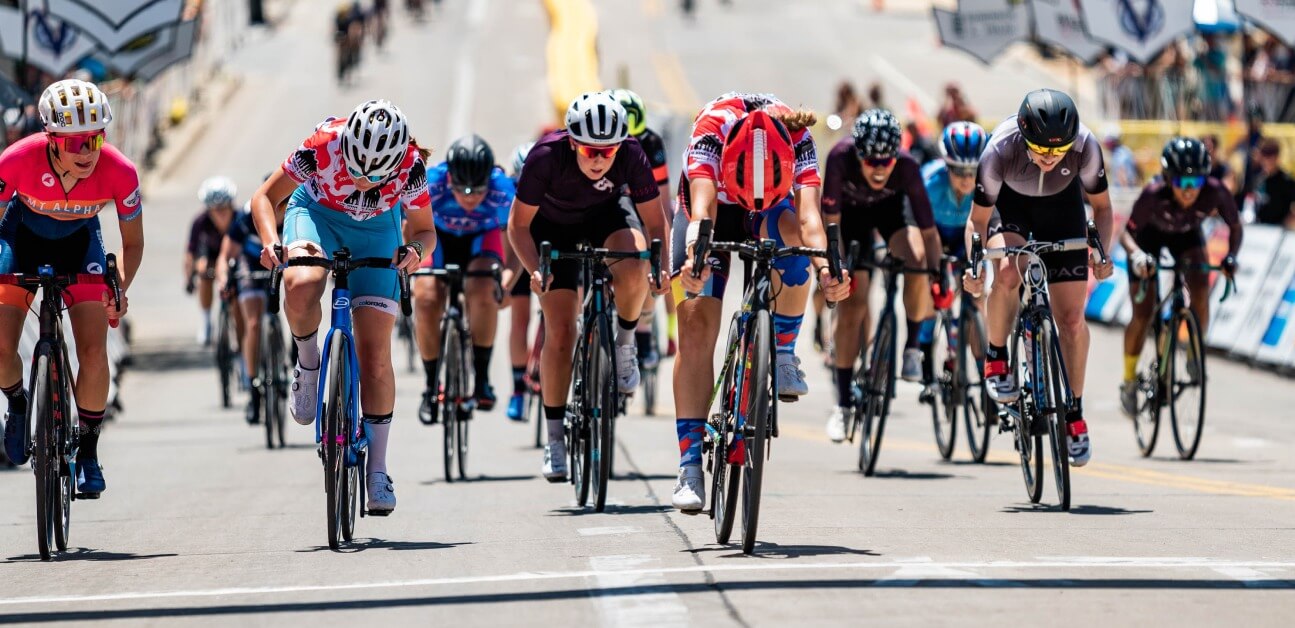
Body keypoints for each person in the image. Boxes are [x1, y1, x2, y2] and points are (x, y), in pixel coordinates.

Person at [250, 99, 435, 515]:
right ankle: (309, 361)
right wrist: (269, 241)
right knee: (302, 283)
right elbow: (264, 198)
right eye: (355, 168)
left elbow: (424, 230)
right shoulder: (322, 144)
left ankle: (378, 471)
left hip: (377, 234)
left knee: (375, 356)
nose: (364, 179)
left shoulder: (410, 167)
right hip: (316, 216)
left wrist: (416, 251)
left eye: (375, 174)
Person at [672, 92, 849, 512]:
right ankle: (689, 464)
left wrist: (826, 271)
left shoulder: (798, 136)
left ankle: (783, 351)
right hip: (714, 206)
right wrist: (693, 264)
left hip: (769, 206)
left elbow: (809, 220)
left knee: (795, 245)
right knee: (696, 323)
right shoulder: (710, 133)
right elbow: (701, 212)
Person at [507, 91, 668, 482]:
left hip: (606, 216)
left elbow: (656, 223)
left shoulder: (631, 153)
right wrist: (536, 270)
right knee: (560, 332)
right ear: (572, 143)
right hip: (551, 227)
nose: (598, 159)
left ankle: (626, 342)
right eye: (589, 150)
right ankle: (556, 439)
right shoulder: (546, 156)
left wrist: (660, 269)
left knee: (634, 262)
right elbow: (518, 227)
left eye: (607, 152)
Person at [0, 79, 140, 495]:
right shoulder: (15, 161)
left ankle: (89, 450)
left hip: (81, 243)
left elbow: (133, 243)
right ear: (51, 138)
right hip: (20, 239)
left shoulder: (120, 170)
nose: (86, 152)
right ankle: (18, 402)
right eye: (75, 141)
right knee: (2, 346)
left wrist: (119, 291)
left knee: (94, 351)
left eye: (94, 139)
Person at [962, 88, 1115, 468]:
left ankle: (1074, 413)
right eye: (1041, 150)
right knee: (1009, 271)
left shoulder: (1085, 147)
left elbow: (1103, 207)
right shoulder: (999, 150)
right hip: (1011, 209)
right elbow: (977, 221)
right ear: (1024, 137)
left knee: (1072, 321)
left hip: (1062, 211)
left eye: (1058, 151)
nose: (1049, 158)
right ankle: (997, 356)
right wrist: (975, 266)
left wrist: (1103, 253)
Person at [821, 109, 943, 443]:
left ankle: (912, 347)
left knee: (917, 258)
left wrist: (936, 276)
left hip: (891, 213)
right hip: (851, 219)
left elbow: (929, 233)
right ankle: (843, 405)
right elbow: (830, 223)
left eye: (886, 161)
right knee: (853, 306)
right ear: (857, 153)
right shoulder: (839, 158)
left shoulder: (906, 165)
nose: (878, 168)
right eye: (871, 160)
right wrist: (838, 267)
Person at [1119, 137, 1240, 416]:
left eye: (1196, 183)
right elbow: (1127, 234)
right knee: (1143, 313)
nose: (1190, 191)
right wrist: (1137, 255)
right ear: (1167, 178)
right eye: (1183, 183)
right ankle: (1128, 380)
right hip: (1148, 239)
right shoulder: (1153, 194)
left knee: (1199, 289)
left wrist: (1231, 256)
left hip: (1186, 236)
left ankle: (1194, 351)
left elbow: (1235, 226)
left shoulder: (1217, 192)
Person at [413, 134, 514, 424]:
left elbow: (515, 242)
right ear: (450, 180)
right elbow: (410, 232)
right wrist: (409, 270)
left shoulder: (503, 189)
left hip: (481, 241)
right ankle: (430, 385)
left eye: (478, 191)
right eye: (463, 190)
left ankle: (481, 378)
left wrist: (507, 281)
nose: (470, 198)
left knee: (483, 290)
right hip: (439, 240)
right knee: (427, 295)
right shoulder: (430, 183)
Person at [611, 88, 679, 364]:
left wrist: (660, 234)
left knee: (650, 260)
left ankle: (645, 327)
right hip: (614, 202)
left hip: (645, 201)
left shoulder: (650, 143)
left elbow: (661, 195)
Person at [217, 191, 286, 426]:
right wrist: (224, 278)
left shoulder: (298, 212)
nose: (279, 213)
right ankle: (254, 385)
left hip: (282, 260)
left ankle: (296, 355)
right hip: (250, 262)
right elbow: (226, 255)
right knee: (254, 322)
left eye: (283, 206)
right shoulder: (248, 217)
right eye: (276, 206)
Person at [505, 141, 536, 421]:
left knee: (558, 315)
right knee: (520, 318)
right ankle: (517, 388)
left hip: (548, 244)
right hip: (520, 250)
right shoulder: (508, 193)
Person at [186, 177, 238, 345]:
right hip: (211, 255)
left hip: (234, 256)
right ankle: (206, 321)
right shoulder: (200, 222)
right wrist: (189, 278)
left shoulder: (240, 219)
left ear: (231, 205)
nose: (221, 214)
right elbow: (190, 253)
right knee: (203, 270)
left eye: (224, 208)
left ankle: (237, 324)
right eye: (215, 210)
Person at [1253, 139, 1295, 228]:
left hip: (1279, 231)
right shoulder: (1258, 180)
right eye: (1265, 158)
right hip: (1259, 228)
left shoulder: (1286, 181)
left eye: (1270, 158)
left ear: (1276, 158)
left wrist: (1287, 222)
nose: (1267, 162)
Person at [1101, 125, 1142, 189]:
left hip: (1123, 194)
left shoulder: (1119, 155)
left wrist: (1125, 192)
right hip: (1130, 190)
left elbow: (1122, 175)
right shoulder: (1125, 151)